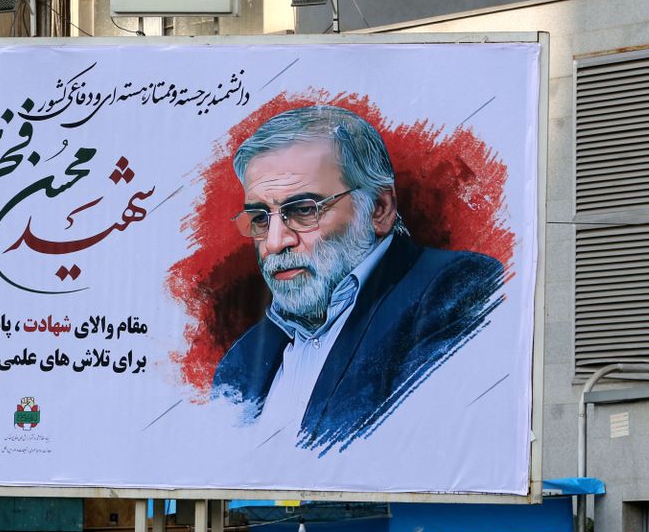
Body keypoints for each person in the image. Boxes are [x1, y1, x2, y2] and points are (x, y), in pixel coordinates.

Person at [212, 105, 506, 451]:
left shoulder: (457, 290)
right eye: (260, 218)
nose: (275, 242)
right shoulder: (240, 361)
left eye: (304, 210)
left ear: (379, 209)